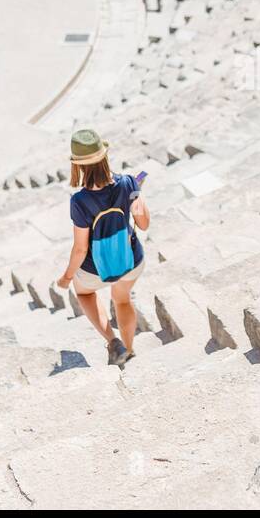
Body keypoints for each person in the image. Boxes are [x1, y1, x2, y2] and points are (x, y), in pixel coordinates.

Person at [55, 129, 150, 367]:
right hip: (129, 259)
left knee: (85, 293)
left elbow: (80, 249)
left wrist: (66, 277)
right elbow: (144, 224)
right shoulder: (128, 183)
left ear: (78, 165)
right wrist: (139, 198)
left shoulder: (79, 201)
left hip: (95, 269)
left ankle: (113, 341)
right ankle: (128, 350)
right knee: (122, 300)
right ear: (104, 156)